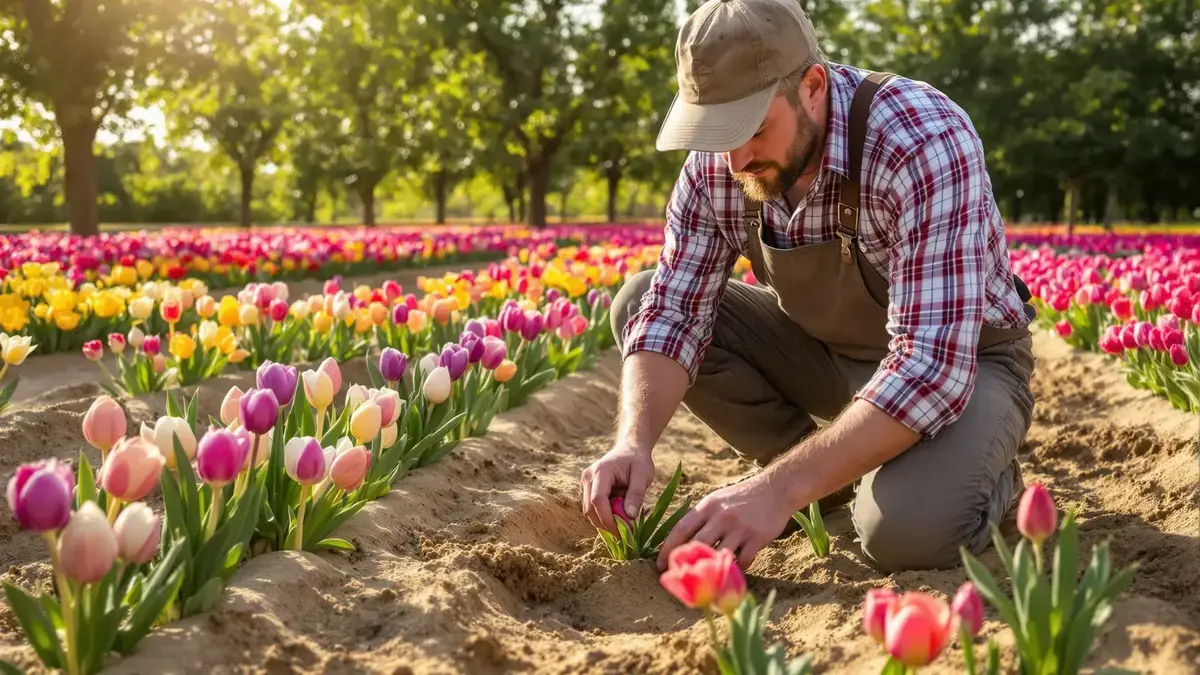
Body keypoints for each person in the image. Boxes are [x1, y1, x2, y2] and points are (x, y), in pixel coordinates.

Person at [579, 0, 1038, 574]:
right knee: (638, 301)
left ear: (813, 86)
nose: (736, 159)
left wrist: (774, 492)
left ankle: (983, 474)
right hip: (826, 355)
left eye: (753, 128)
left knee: (906, 537)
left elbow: (930, 367)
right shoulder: (720, 163)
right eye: (718, 132)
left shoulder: (919, 139)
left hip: (964, 367)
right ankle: (820, 480)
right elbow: (674, 311)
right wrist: (633, 442)